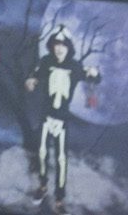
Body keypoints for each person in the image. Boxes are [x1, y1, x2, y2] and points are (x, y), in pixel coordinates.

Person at [27, 28, 100, 213]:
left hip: (62, 120)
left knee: (61, 159)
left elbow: (95, 78)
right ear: (52, 46)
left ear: (69, 47)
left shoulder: (74, 66)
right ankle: (43, 186)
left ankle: (59, 198)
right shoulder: (46, 61)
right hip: (46, 116)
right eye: (56, 45)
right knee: (42, 153)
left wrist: (95, 73)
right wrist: (31, 80)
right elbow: (35, 74)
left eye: (63, 45)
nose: (59, 48)